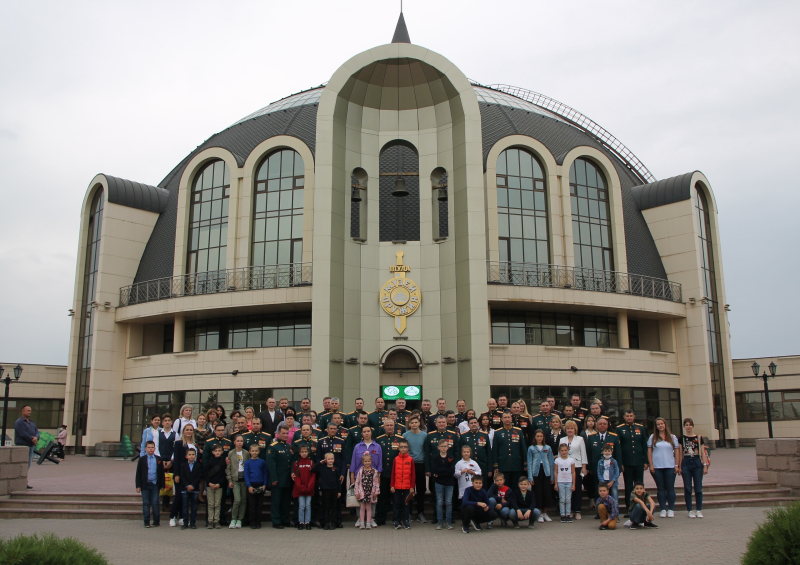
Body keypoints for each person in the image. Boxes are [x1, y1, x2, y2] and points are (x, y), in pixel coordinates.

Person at [648, 416, 681, 518]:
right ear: (656, 426)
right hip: (657, 467)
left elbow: (677, 451)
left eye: (662, 424)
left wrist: (677, 465)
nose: (660, 426)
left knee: (670, 488)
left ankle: (670, 509)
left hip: (670, 466)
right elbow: (649, 451)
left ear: (665, 424)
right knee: (661, 488)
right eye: (658, 424)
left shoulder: (672, 437)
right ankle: (663, 509)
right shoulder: (653, 437)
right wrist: (651, 465)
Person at [617, 409, 648, 516]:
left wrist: (645, 461)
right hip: (627, 463)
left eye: (631, 415)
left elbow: (644, 445)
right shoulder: (620, 429)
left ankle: (641, 508)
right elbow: (619, 448)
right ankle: (629, 509)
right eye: (627, 416)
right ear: (624, 417)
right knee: (629, 487)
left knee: (639, 486)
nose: (629, 417)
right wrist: (621, 463)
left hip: (638, 461)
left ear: (634, 416)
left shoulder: (640, 428)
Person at [317, 421, 347, 528]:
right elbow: (318, 459)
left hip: (337, 474)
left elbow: (343, 459)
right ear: (327, 430)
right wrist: (320, 475)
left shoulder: (341, 441)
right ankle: (323, 522)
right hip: (325, 475)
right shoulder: (321, 442)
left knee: (337, 501)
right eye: (331, 428)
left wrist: (343, 473)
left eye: (335, 428)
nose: (333, 430)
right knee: (325, 502)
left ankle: (337, 521)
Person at [375, 419, 402, 526]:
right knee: (382, 497)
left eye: (391, 425)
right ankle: (381, 518)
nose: (389, 427)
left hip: (395, 473)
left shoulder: (400, 439)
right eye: (387, 425)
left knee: (396, 498)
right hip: (383, 473)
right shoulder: (378, 439)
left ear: (394, 426)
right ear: (384, 427)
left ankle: (397, 518)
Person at [169, 423, 196, 527]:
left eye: (190, 430)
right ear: (183, 431)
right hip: (181, 474)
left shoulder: (195, 443)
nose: (189, 432)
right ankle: (172, 516)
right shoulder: (179, 443)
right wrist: (176, 474)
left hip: (192, 473)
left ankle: (181, 517)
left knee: (186, 497)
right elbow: (176, 460)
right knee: (179, 496)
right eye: (187, 430)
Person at [402, 416, 428, 523]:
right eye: (411, 423)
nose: (414, 424)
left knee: (420, 490)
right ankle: (409, 513)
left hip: (420, 464)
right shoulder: (405, 435)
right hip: (409, 464)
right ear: (409, 424)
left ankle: (420, 513)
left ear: (419, 423)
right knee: (409, 490)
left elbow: (426, 451)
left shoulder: (424, 435)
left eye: (416, 422)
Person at [266, 424, 293, 528]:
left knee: (286, 502)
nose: (285, 435)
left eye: (287, 433)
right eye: (283, 433)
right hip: (277, 479)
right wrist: (273, 478)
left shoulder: (289, 446)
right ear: (278, 434)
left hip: (287, 479)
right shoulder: (273, 447)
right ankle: (276, 521)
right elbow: (271, 464)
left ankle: (285, 520)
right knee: (276, 502)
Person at [681, 417, 708, 518]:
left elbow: (702, 453)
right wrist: (679, 466)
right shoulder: (682, 438)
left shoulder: (699, 438)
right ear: (684, 426)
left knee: (698, 488)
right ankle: (690, 510)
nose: (688, 427)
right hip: (686, 463)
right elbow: (680, 452)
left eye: (690, 424)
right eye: (686, 425)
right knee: (688, 488)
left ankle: (699, 509)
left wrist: (705, 465)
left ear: (693, 426)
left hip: (697, 463)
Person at [559, 420, 588, 520]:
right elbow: (559, 454)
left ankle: (577, 510)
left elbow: (583, 453)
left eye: (571, 428)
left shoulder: (580, 439)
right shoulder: (562, 440)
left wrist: (584, 467)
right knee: (568, 489)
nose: (570, 430)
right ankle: (569, 510)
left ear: (575, 429)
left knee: (577, 489)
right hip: (565, 466)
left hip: (577, 465)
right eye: (568, 428)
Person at [492, 411, 527, 488]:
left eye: (508, 417)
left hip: (516, 464)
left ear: (511, 419)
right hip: (503, 464)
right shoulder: (497, 432)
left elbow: (523, 447)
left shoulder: (518, 431)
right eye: (505, 417)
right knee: (504, 487)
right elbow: (495, 450)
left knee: (516, 486)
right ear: (501, 419)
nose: (507, 419)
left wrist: (525, 462)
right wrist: (495, 465)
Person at [135, 440, 165, 527]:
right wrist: (138, 486)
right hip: (145, 484)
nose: (150, 449)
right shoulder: (142, 459)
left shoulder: (158, 459)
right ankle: (146, 521)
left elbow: (161, 473)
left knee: (155, 502)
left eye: (152, 447)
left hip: (155, 484)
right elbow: (138, 473)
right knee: (146, 503)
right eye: (149, 448)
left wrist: (162, 485)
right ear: (145, 449)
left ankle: (156, 520)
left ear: (155, 448)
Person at [527, 429, 554, 523]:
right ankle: (539, 513)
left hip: (546, 471)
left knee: (546, 492)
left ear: (543, 437)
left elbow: (551, 462)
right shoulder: (531, 448)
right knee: (538, 493)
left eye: (541, 436)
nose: (539, 438)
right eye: (537, 436)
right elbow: (529, 462)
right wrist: (530, 477)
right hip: (536, 472)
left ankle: (545, 513)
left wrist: (552, 476)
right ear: (535, 437)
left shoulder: (547, 447)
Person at [430, 439, 456, 530]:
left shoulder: (451, 458)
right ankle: (439, 522)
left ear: (448, 447)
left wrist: (440, 472)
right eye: (441, 446)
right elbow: (434, 469)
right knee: (439, 502)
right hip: (439, 482)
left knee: (448, 502)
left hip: (449, 483)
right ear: (438, 447)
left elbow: (452, 471)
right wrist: (444, 471)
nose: (443, 448)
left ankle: (448, 522)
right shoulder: (435, 458)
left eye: (445, 446)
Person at [390, 438, 415, 530]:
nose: (403, 449)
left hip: (407, 486)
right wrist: (392, 485)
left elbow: (413, 475)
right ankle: (396, 521)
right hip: (396, 486)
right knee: (396, 504)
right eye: (401, 447)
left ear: (408, 448)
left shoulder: (411, 459)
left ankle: (406, 521)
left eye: (405, 447)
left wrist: (412, 487)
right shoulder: (396, 459)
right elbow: (393, 473)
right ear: (399, 448)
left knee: (406, 504)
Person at [459, 416, 492, 480]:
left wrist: (490, 469)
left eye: (475, 423)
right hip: (468, 466)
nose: (473, 424)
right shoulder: (463, 436)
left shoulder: (484, 435)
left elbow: (489, 452)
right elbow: (460, 452)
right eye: (471, 423)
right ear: (468, 425)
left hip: (482, 465)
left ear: (478, 424)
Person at [226, 434, 248, 529]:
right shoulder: (231, 453)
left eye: (241, 441)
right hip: (235, 479)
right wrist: (230, 480)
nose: (239, 443)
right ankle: (233, 519)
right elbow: (228, 468)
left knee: (243, 500)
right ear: (234, 442)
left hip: (244, 479)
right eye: (238, 441)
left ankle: (240, 519)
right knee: (237, 499)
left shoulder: (246, 453)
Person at [291, 444, 315, 530]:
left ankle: (307, 522)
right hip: (299, 489)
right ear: (299, 453)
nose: (304, 453)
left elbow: (313, 476)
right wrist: (301, 487)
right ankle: (301, 522)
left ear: (308, 452)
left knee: (308, 505)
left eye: (305, 452)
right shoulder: (296, 463)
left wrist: (309, 487)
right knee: (301, 506)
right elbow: (296, 477)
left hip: (309, 489)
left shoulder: (311, 463)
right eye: (302, 452)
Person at [202, 443, 226, 529]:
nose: (217, 452)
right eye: (216, 451)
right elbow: (206, 473)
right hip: (210, 485)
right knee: (211, 504)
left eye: (219, 451)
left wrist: (219, 483)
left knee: (217, 504)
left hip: (219, 486)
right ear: (212, 452)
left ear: (222, 452)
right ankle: (210, 521)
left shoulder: (223, 461)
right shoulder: (210, 461)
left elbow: (224, 474)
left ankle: (217, 521)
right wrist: (209, 483)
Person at [354, 452, 380, 530]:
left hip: (370, 492)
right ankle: (362, 523)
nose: (367, 463)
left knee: (369, 508)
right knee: (362, 508)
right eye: (365, 461)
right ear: (363, 462)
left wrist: (376, 492)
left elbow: (376, 483)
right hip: (362, 492)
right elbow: (357, 482)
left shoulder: (374, 471)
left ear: (371, 462)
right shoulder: (360, 471)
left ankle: (368, 523)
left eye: (368, 461)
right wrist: (356, 492)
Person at [179, 448, 201, 530]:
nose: (191, 456)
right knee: (185, 506)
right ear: (186, 456)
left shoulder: (198, 465)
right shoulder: (183, 465)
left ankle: (192, 523)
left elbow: (198, 477)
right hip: (185, 489)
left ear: (195, 456)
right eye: (189, 455)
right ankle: (185, 523)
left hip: (194, 489)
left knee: (194, 506)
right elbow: (182, 476)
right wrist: (187, 485)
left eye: (193, 455)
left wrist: (192, 485)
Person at [13, 405, 39, 474]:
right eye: (28, 410)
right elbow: (22, 433)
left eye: (30, 411)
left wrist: (36, 437)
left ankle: (24, 481)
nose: (30, 412)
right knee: (21, 465)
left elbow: (36, 432)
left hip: (31, 446)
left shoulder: (32, 422)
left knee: (28, 465)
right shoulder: (19, 422)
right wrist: (32, 439)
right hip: (22, 446)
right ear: (22, 411)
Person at [319, 452, 342, 530]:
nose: (330, 460)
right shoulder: (322, 468)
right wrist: (320, 463)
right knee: (326, 507)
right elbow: (313, 469)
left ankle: (333, 523)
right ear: (326, 460)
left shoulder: (336, 469)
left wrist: (339, 491)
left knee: (334, 507)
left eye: (332, 459)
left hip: (334, 490)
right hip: (325, 489)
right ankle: (326, 523)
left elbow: (338, 480)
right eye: (329, 459)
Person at [554, 443, 576, 523]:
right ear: (559, 451)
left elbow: (573, 472)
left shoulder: (571, 460)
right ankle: (562, 515)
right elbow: (555, 472)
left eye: (565, 450)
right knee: (562, 499)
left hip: (569, 481)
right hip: (560, 482)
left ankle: (568, 515)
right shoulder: (557, 460)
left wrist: (574, 484)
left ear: (568, 451)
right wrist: (556, 484)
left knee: (568, 499)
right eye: (562, 451)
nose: (564, 452)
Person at [158, 414, 176, 511]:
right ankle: (156, 504)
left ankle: (166, 504)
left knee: (168, 482)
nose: (167, 422)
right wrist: (161, 460)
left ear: (171, 422)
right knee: (159, 481)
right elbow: (155, 447)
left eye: (169, 420)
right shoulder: (158, 433)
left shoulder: (175, 434)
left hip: (170, 461)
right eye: (165, 420)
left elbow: (176, 448)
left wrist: (171, 460)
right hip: (160, 461)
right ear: (162, 423)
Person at [580, 414, 597, 507]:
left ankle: (595, 497)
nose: (590, 422)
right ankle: (591, 498)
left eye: (592, 421)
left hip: (595, 459)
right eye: (588, 421)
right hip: (586, 458)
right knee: (588, 480)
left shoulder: (596, 432)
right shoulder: (583, 433)